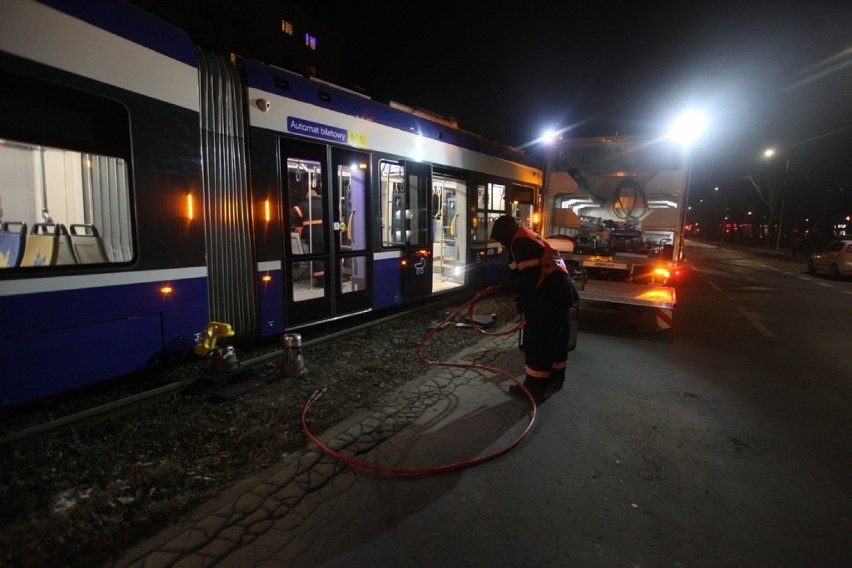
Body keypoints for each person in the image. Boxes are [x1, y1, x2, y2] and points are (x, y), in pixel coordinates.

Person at [490, 215, 580, 403]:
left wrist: (504, 288)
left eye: (500, 239)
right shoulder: (526, 236)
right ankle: (556, 378)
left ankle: (534, 389)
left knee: (539, 343)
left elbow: (529, 280)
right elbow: (530, 273)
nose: (501, 244)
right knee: (556, 340)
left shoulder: (520, 243)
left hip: (549, 299)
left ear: (505, 234)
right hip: (560, 295)